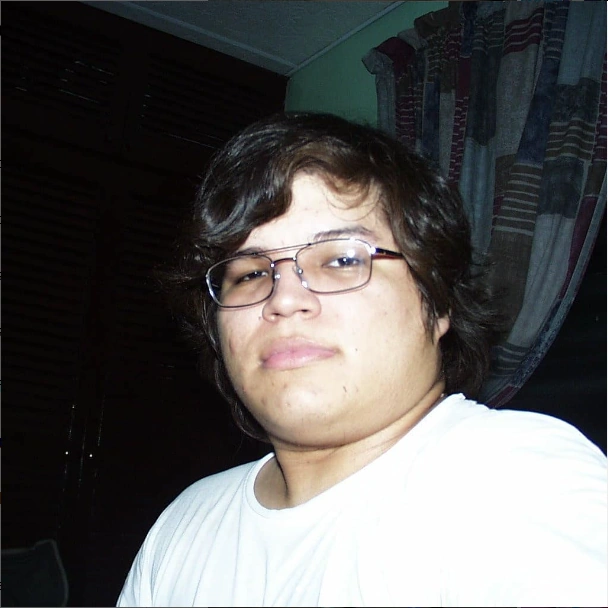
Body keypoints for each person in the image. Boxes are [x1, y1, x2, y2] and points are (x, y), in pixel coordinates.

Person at [117, 112, 607, 607]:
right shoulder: (185, 525)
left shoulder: (520, 483)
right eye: (249, 274)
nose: (283, 299)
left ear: (437, 302)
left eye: (341, 259)